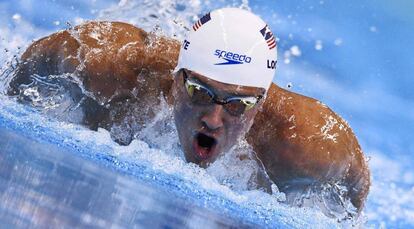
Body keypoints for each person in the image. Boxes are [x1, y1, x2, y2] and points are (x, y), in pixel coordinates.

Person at [7, 8, 370, 219]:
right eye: (199, 91)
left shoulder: (305, 144)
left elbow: (355, 191)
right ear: (177, 80)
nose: (213, 119)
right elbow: (29, 69)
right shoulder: (109, 66)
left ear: (258, 105)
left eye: (237, 105)